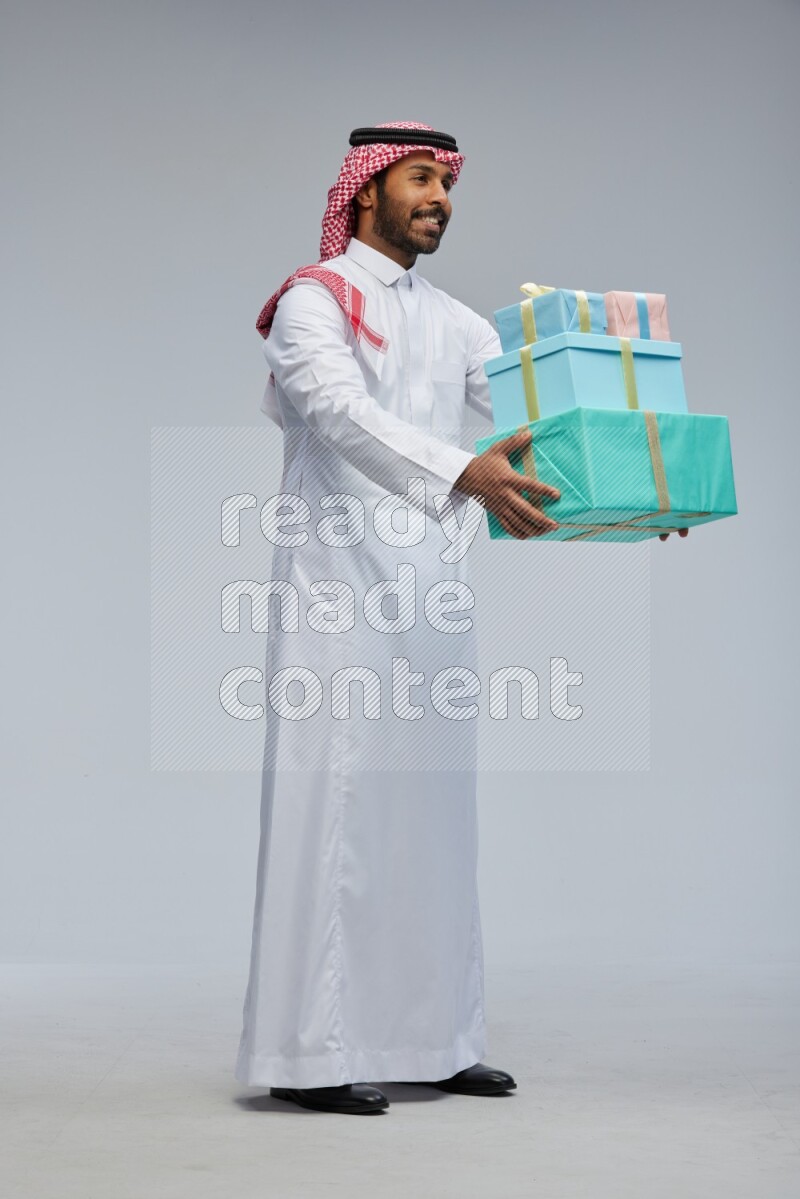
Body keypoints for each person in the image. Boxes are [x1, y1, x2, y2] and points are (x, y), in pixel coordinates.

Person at [235, 121, 683, 1119]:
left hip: (431, 604)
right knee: (335, 820)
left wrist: (636, 496)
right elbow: (338, 413)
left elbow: (537, 429)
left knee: (429, 823)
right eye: (419, 178)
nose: (438, 196)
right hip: (337, 604)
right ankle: (310, 1053)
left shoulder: (459, 323)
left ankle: (434, 1038)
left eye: (445, 182)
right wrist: (461, 469)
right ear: (364, 194)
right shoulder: (315, 301)